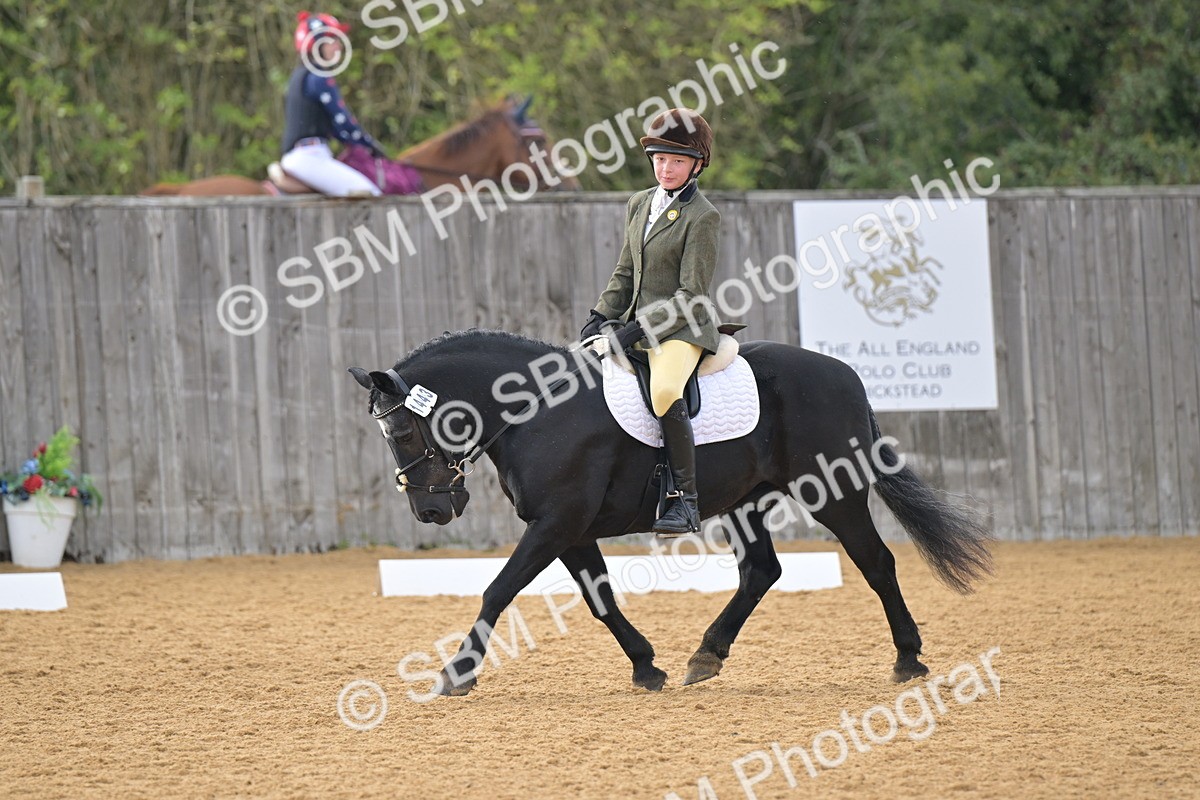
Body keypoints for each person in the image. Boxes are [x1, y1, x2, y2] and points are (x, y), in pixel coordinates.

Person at [580, 108, 721, 537]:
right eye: (660, 159)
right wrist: (600, 315)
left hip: (681, 329)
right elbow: (626, 271)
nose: (666, 168)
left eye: (676, 161)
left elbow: (690, 294)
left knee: (663, 390)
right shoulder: (639, 203)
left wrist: (638, 330)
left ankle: (686, 501)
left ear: (697, 164)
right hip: (632, 325)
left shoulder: (702, 216)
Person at [280, 11, 385, 197]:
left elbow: (337, 129)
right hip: (310, 157)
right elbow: (344, 122)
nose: (338, 46)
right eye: (332, 40)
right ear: (315, 45)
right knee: (371, 193)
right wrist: (370, 145)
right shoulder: (318, 77)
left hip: (306, 155)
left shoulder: (301, 75)